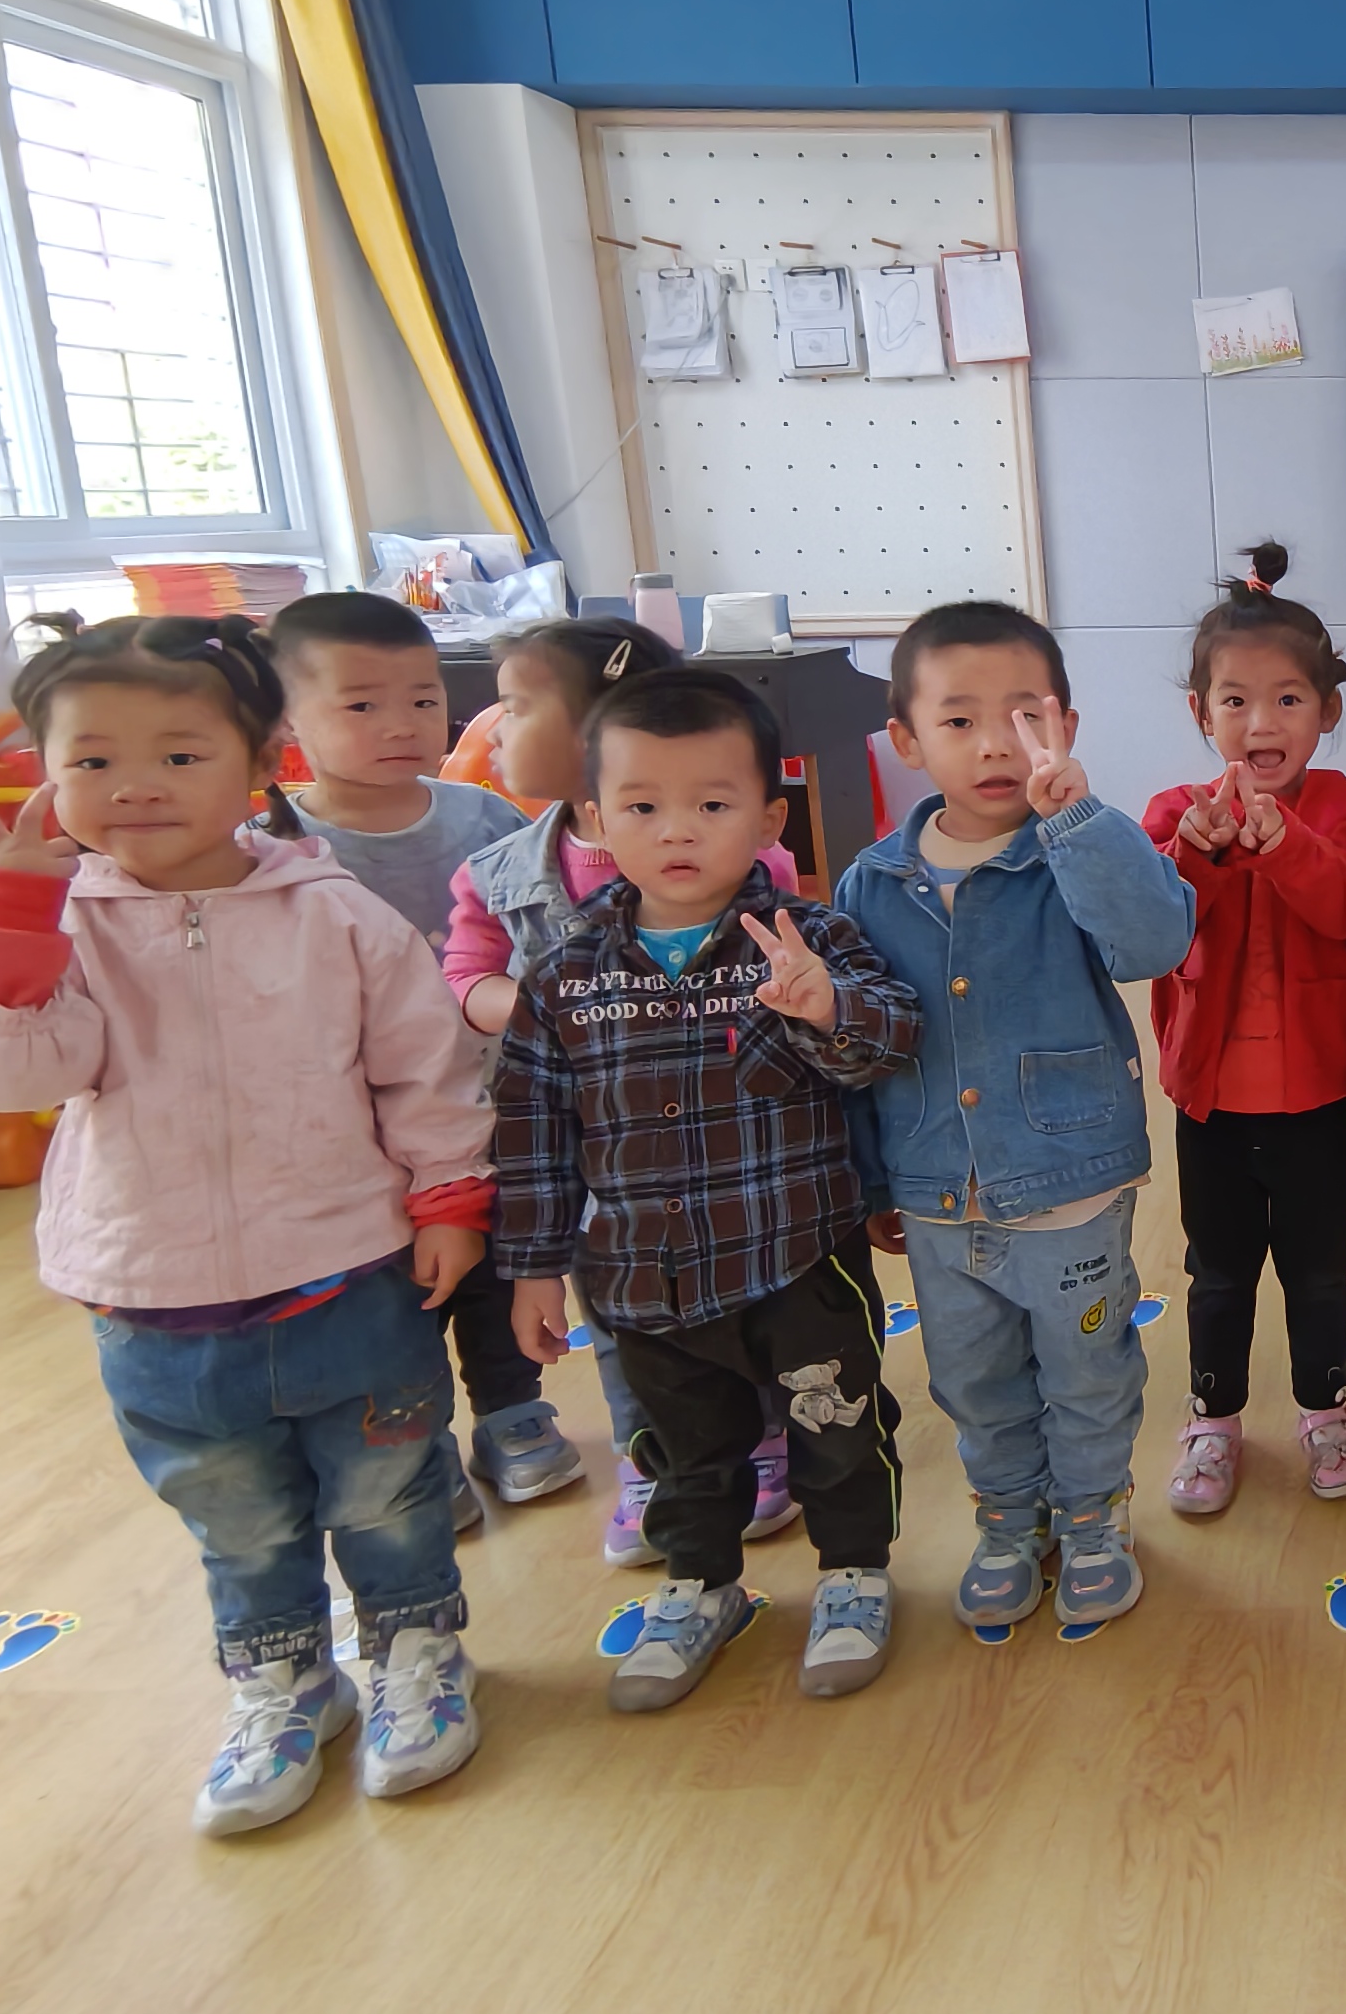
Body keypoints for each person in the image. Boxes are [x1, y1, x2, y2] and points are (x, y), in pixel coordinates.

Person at [0, 614, 491, 1834]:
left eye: (179, 756)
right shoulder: (59, 923)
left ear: (260, 765)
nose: (135, 787)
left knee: (388, 1488)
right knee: (233, 1513)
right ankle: (284, 1681)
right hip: (153, 1290)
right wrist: (5, 927)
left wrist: (449, 1194)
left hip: (348, 1268)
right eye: (92, 761)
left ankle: (416, 1651)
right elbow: (7, 1079)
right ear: (46, 775)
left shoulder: (334, 913)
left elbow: (424, 1066)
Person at [490, 669, 922, 1711]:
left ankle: (854, 1574)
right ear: (596, 819)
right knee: (681, 1449)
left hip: (798, 1255)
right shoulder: (564, 977)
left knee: (837, 1427)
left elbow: (893, 1043)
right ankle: (700, 1585)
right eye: (642, 806)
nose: (677, 830)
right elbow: (533, 1129)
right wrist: (534, 1267)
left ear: (771, 818)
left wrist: (829, 1009)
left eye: (713, 804)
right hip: (643, 1275)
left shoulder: (811, 938)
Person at [839, 603, 1193, 1627]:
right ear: (907, 740)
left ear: (1065, 728)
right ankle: (1007, 1517)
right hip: (935, 1190)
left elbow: (1154, 943)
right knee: (972, 1377)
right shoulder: (871, 882)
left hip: (1068, 1181)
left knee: (1087, 1368)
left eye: (1025, 717)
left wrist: (1078, 819)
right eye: (959, 721)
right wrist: (870, 1179)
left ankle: (1091, 1514)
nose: (996, 744)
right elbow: (859, 1050)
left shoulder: (1074, 850)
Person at [440, 617, 806, 1567]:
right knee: (619, 1306)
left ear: (605, 726)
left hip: (731, 1131)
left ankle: (765, 1436)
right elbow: (464, 974)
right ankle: (651, 1459)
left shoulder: (748, 858)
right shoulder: (500, 874)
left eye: (515, 706)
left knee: (750, 1290)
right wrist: (538, 1005)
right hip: (597, 1142)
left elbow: (785, 952)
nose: (492, 727)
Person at [268, 592, 564, 1521]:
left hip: (489, 1099)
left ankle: (513, 1412)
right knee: (389, 1285)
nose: (402, 724)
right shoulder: (268, 848)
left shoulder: (485, 819)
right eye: (362, 704)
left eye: (424, 699)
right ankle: (415, 1444)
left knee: (498, 1258)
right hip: (350, 1118)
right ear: (286, 721)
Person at [1139, 545, 1346, 1513]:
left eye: (1288, 699)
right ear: (1203, 714)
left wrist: (1285, 845)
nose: (1261, 722)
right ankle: (1213, 1420)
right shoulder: (1174, 813)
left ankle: (1326, 1411)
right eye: (1235, 700)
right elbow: (1154, 928)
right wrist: (1193, 853)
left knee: (1322, 1270)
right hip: (1211, 1100)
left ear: (1327, 711)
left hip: (1317, 1094)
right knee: (1218, 1271)